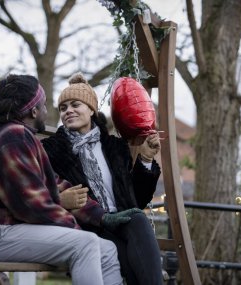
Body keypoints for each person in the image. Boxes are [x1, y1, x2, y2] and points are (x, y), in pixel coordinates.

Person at [0, 74, 127, 285]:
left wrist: (101, 216)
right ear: (34, 110)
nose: (47, 111)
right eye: (44, 105)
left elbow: (58, 185)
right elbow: (30, 206)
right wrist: (74, 226)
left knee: (107, 249)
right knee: (85, 243)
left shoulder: (26, 139)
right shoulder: (13, 137)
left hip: (12, 232)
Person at [42, 72, 164, 285]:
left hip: (123, 221)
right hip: (87, 225)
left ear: (91, 109)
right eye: (63, 108)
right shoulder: (51, 151)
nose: (68, 111)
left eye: (75, 105)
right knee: (126, 256)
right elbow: (48, 194)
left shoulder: (115, 147)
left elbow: (137, 200)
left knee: (137, 219)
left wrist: (145, 158)